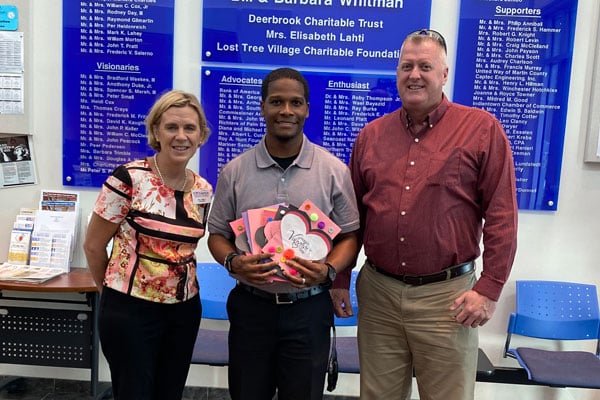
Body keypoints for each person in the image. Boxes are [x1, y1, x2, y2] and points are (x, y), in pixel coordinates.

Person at [346, 29, 518, 400]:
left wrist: (489, 289)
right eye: (406, 66)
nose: (414, 74)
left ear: (444, 74)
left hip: (448, 300)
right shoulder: (371, 136)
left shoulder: (481, 130)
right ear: (396, 73)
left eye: (426, 66)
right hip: (379, 295)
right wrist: (340, 278)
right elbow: (354, 218)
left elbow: (502, 214)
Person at [207, 67, 360, 400]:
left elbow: (350, 236)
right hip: (251, 308)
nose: (286, 111)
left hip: (308, 309)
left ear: (307, 108)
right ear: (262, 107)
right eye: (276, 101)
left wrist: (329, 270)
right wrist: (233, 262)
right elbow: (216, 235)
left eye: (296, 102)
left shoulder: (333, 171)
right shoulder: (235, 171)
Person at [83, 89, 213, 400]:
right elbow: (92, 246)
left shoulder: (203, 188)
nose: (180, 136)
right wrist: (115, 294)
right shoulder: (127, 179)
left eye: (189, 128)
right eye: (171, 127)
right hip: (131, 311)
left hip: (184, 311)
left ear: (201, 136)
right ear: (156, 130)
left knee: (169, 393)